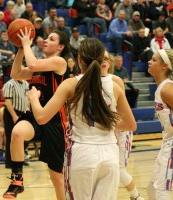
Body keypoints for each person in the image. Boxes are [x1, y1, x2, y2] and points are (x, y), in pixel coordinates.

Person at [26, 38, 136, 200]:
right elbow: (130, 124)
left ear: (79, 60)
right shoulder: (115, 86)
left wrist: (34, 98)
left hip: (82, 153)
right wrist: (104, 120)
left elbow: (42, 118)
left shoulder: (71, 84)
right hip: (110, 153)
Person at [3, 29, 70, 199]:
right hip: (34, 115)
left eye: (51, 39)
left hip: (54, 119)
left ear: (60, 46)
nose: (46, 40)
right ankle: (17, 181)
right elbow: (15, 74)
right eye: (46, 37)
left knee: (56, 176)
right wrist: (20, 49)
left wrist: (26, 44)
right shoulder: (38, 67)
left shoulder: (59, 62)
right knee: (17, 132)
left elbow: (32, 64)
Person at [102, 50, 144, 200]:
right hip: (103, 132)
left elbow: (121, 111)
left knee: (119, 170)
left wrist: (116, 131)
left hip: (119, 131)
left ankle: (136, 195)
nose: (104, 60)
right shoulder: (90, 81)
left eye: (106, 58)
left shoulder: (115, 81)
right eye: (101, 57)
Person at [147, 48, 173, 200]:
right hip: (168, 142)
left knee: (161, 190)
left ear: (164, 66)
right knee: (152, 188)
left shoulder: (167, 88)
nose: (149, 61)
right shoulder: (162, 87)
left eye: (153, 60)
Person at [2, 78, 29, 168]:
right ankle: (9, 162)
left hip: (23, 112)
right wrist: (14, 115)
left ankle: (20, 159)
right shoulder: (9, 84)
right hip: (11, 112)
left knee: (25, 138)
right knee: (11, 138)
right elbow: (8, 102)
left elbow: (28, 99)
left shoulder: (26, 83)